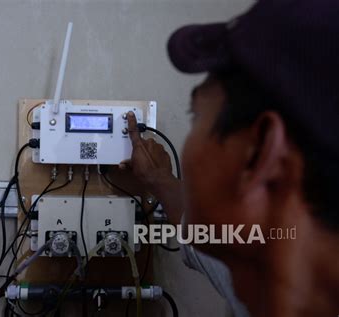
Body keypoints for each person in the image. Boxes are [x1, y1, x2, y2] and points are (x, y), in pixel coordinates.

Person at [120, 1, 339, 316]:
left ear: (260, 152)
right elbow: (205, 234)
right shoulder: (270, 274)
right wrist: (157, 178)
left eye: (195, 114)